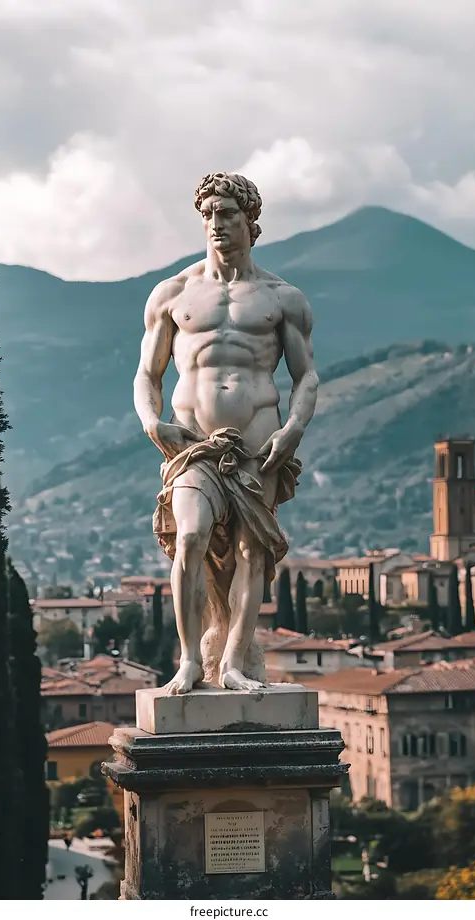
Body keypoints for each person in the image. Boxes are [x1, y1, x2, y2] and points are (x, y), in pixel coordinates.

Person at [134, 172, 318, 694]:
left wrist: (293, 429)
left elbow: (306, 377)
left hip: (258, 441)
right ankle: (191, 660)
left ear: (249, 220)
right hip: (192, 442)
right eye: (209, 214)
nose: (216, 223)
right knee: (190, 536)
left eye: (228, 213)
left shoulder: (282, 298)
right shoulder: (173, 293)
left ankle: (233, 660)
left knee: (250, 552)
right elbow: (147, 374)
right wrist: (151, 421)